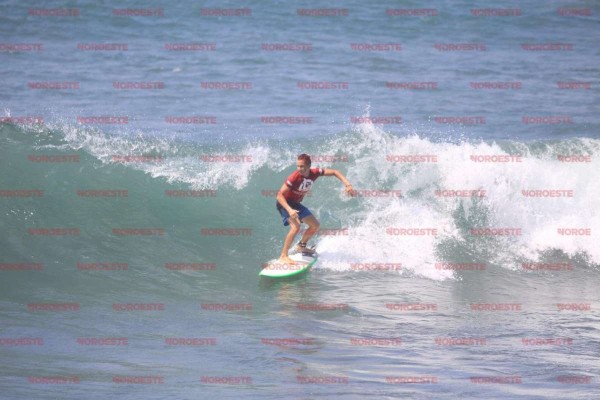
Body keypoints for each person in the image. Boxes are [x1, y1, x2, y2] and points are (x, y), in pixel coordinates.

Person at [276, 153, 354, 264]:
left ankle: (301, 246)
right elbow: (279, 195)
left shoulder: (315, 173)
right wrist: (290, 210)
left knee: (315, 225)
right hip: (285, 204)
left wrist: (348, 185)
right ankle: (283, 256)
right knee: (296, 227)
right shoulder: (294, 177)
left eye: (302, 166)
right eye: (298, 166)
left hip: (296, 204)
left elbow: (335, 172)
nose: (299, 169)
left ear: (309, 166)